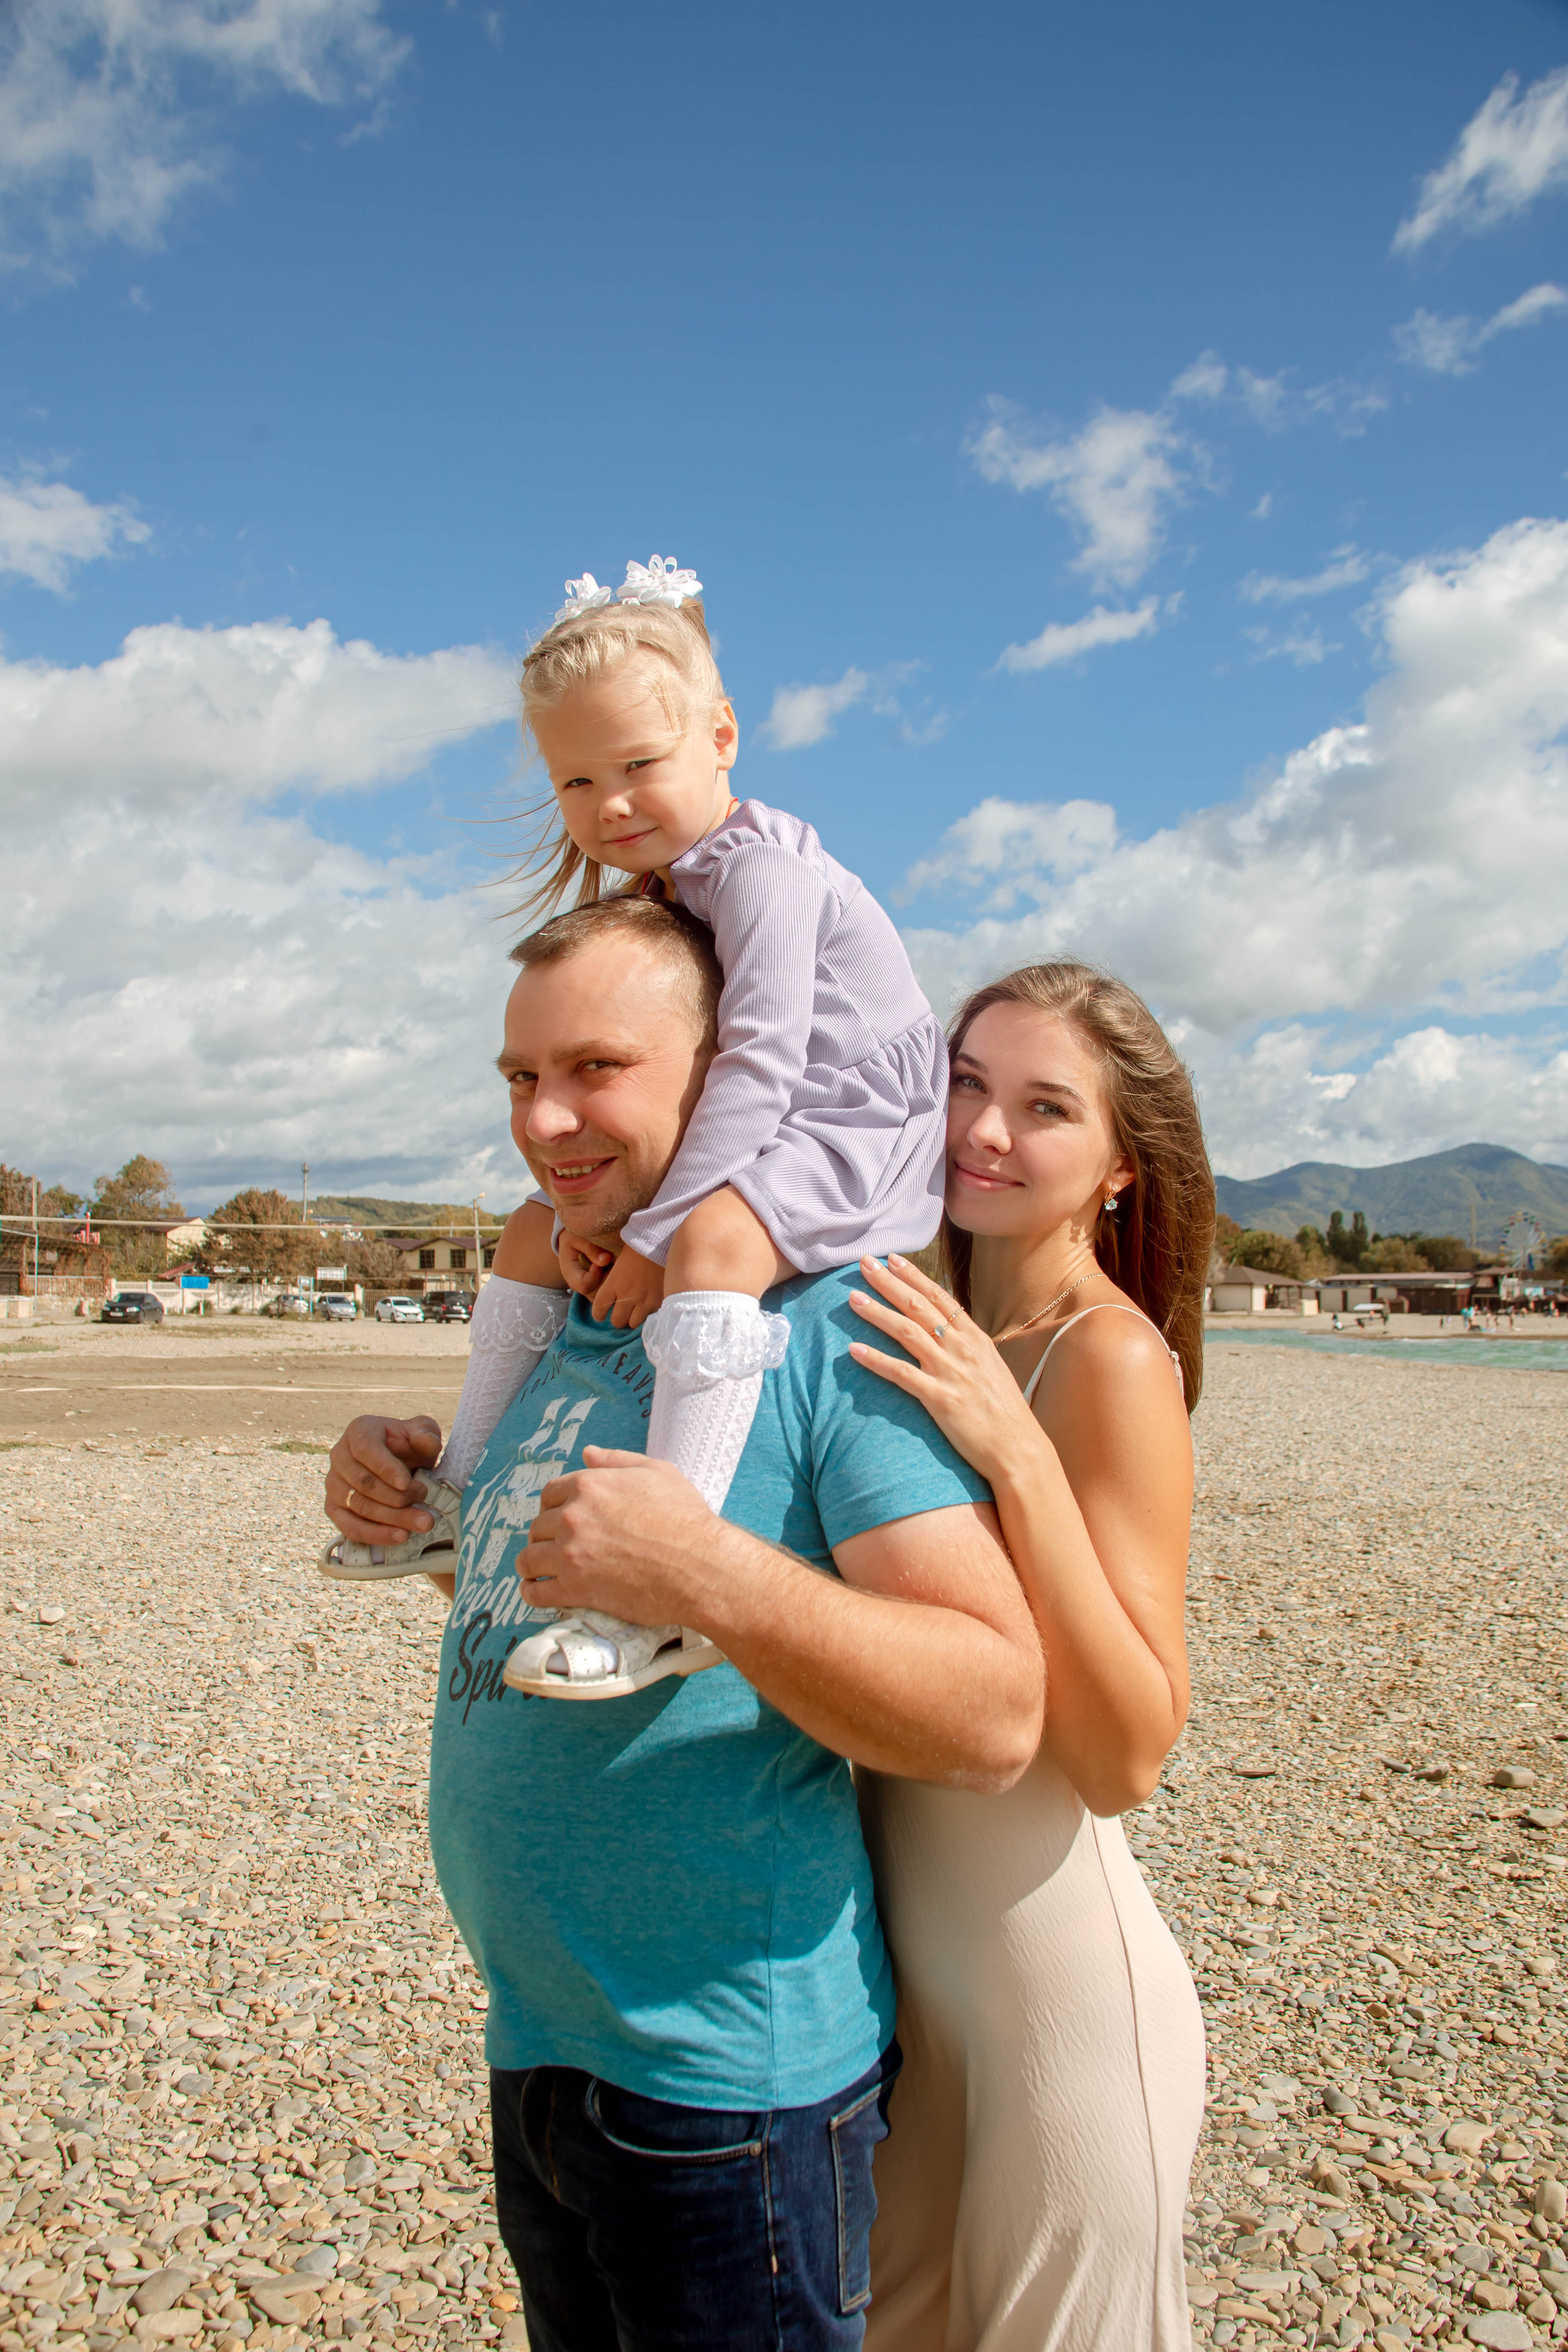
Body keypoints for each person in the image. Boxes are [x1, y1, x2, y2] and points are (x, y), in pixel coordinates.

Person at [322, 894, 1044, 2352]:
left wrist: (707, 1576)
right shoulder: (571, 1319)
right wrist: (410, 1495)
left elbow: (994, 1712)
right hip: (540, 2042)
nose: (545, 1119)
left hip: (729, 2099)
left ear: (727, 1076)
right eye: (520, 1079)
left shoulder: (823, 1332)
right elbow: (536, 1620)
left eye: (597, 1069)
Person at [324, 554, 948, 1704]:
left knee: (715, 1246)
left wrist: (659, 1237)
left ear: (723, 735)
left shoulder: (760, 871)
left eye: (638, 767)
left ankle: (663, 1583)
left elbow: (761, 1062)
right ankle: (454, 1500)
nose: (607, 805)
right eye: (574, 782)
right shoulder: (668, 885)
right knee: (523, 1236)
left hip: (855, 1121)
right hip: (768, 1123)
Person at [845, 960, 1213, 2352]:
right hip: (893, 2000)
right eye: (965, 1083)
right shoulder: (907, 1314)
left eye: (1042, 1107)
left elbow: (1126, 1754)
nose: (981, 1133)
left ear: (1117, 1166)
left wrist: (1018, 1459)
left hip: (1055, 2009)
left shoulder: (1105, 1361)